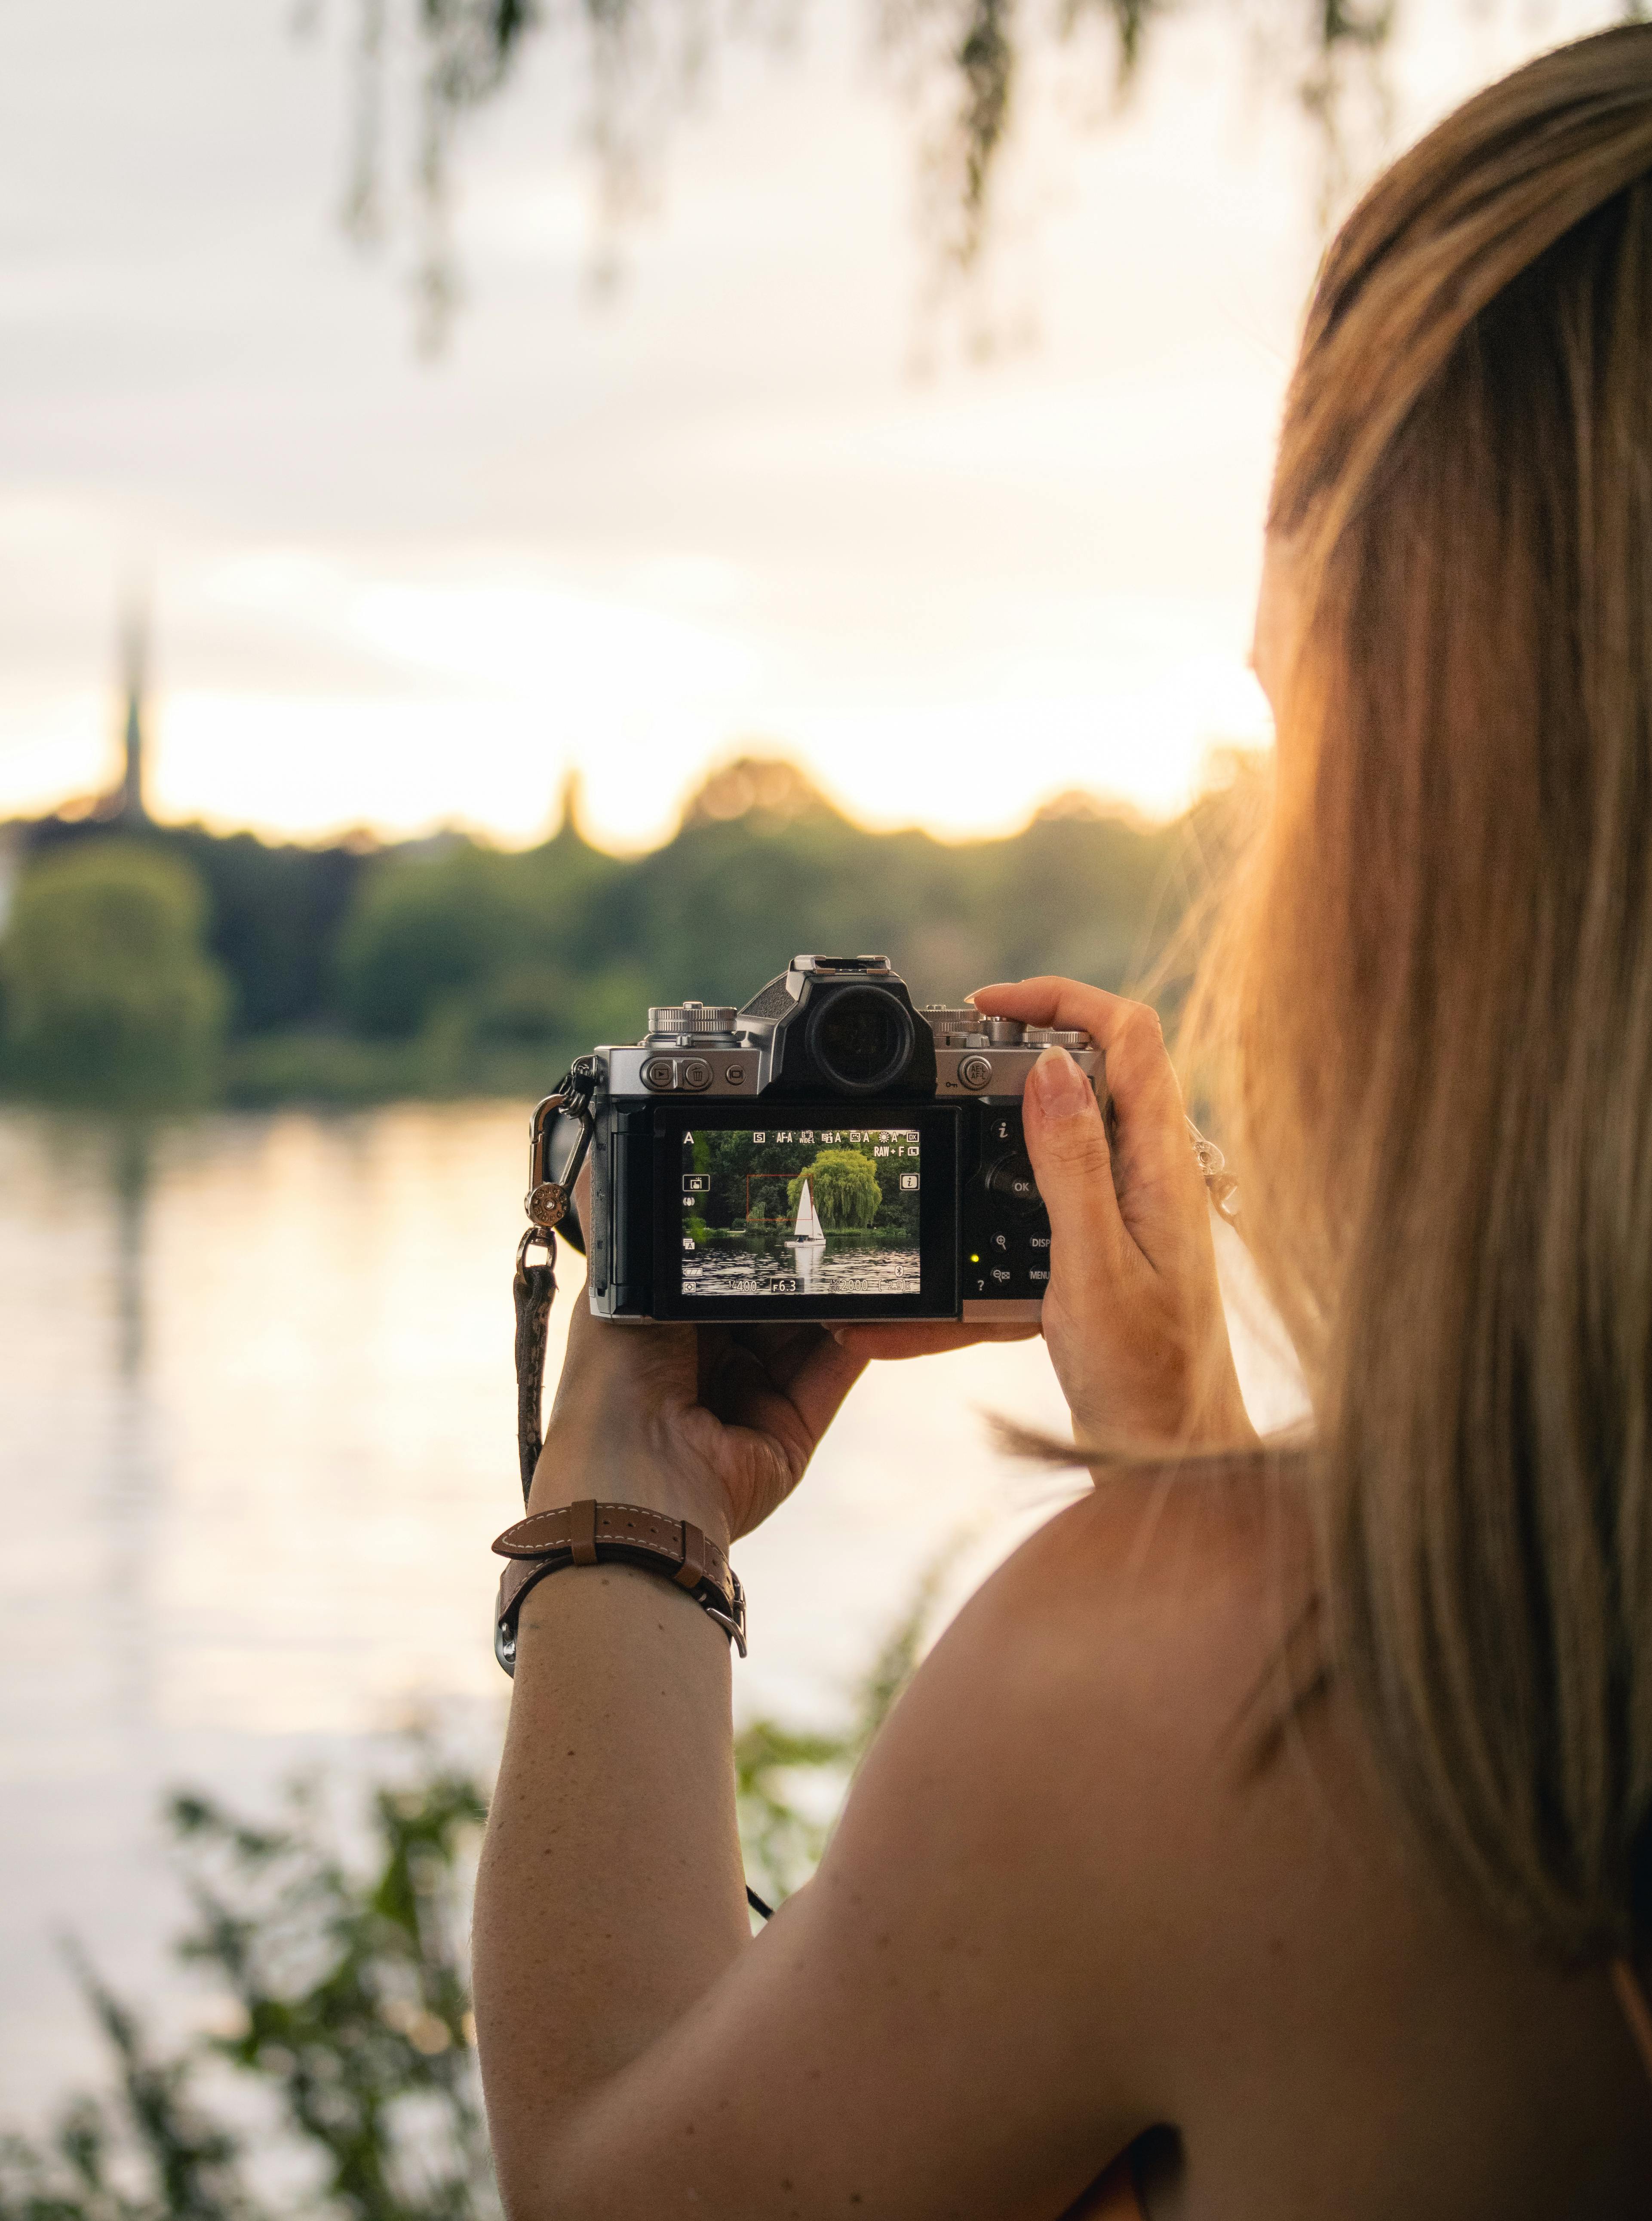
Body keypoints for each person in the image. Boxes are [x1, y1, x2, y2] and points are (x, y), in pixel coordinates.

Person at [471, 25, 1652, 2215]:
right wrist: (1184, 1458)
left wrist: (632, 1488)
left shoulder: (1240, 1704)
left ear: (1430, 809)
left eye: (1302, 719)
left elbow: (609, 2169)